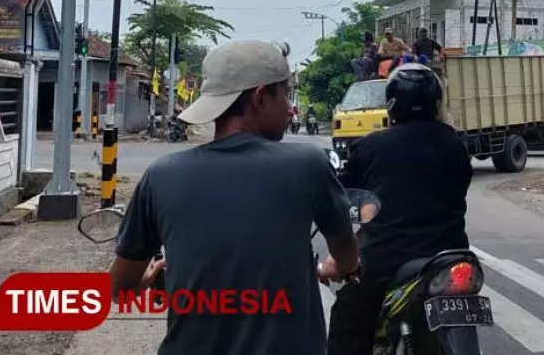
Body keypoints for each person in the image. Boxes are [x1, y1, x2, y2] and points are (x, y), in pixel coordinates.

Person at [109, 40, 360, 355]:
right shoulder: (307, 164)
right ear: (259, 98)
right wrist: (340, 265)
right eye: (284, 94)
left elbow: (120, 290)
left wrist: (148, 280)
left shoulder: (160, 175)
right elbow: (346, 251)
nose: (290, 108)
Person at [320, 63, 473, 355]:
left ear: (391, 103)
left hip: (384, 258)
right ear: (436, 102)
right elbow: (459, 188)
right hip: (449, 253)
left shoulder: (371, 146)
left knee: (348, 323)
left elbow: (344, 198)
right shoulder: (454, 143)